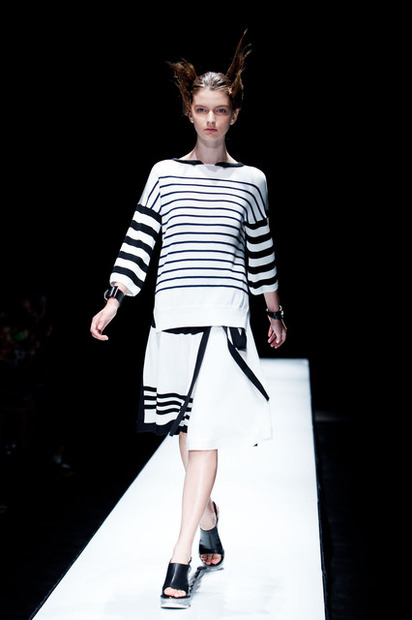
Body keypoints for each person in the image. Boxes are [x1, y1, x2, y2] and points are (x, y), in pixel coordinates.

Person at [90, 31, 286, 610]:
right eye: (202, 110)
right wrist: (115, 299)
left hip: (225, 316)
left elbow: (261, 252)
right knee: (184, 431)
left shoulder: (252, 181)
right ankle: (209, 519)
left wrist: (273, 310)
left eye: (220, 111)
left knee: (202, 434)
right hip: (171, 314)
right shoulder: (163, 174)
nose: (211, 120)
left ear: (234, 115)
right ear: (189, 112)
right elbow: (139, 240)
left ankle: (179, 556)